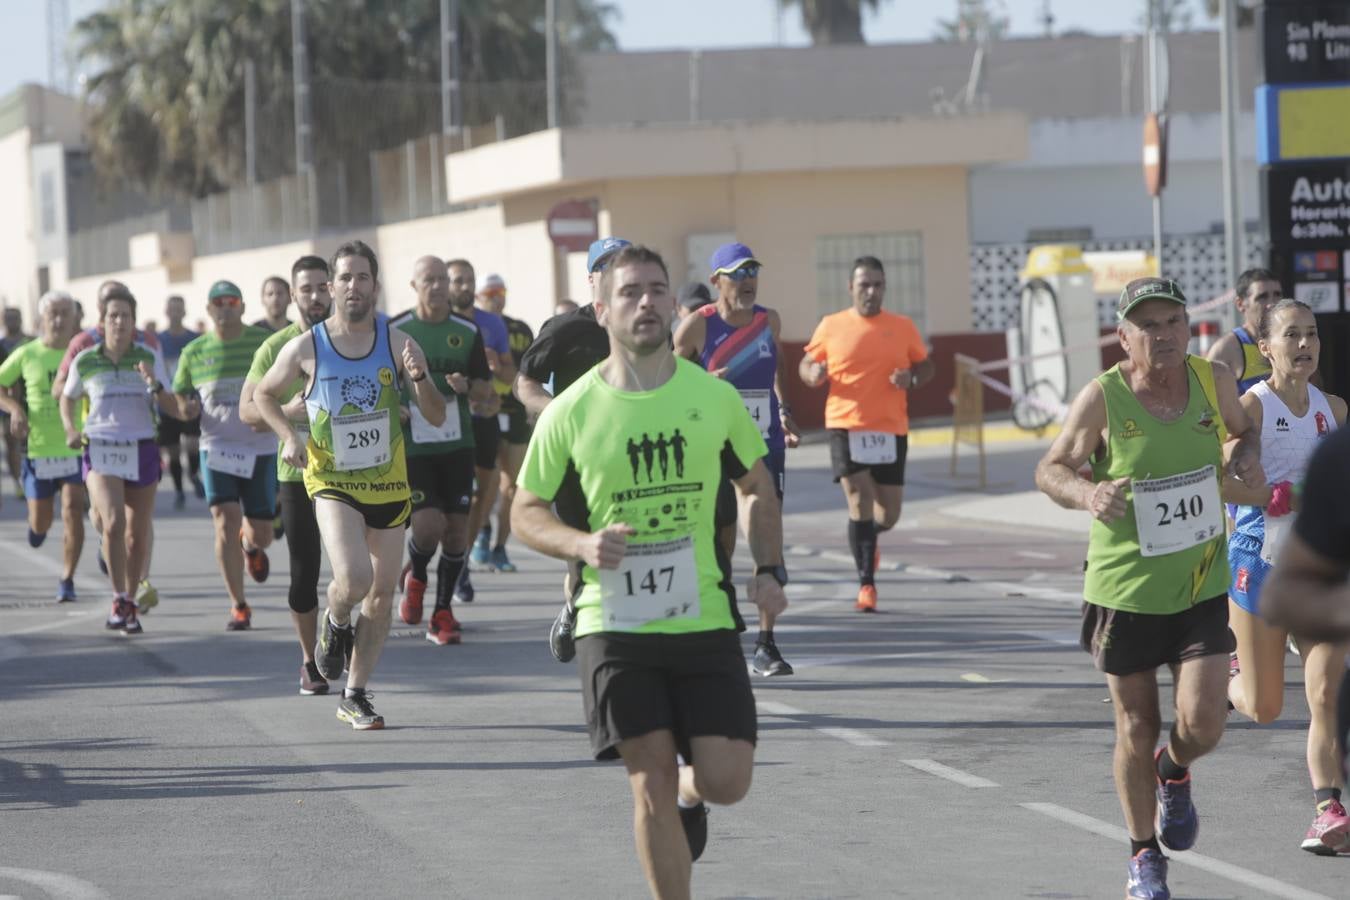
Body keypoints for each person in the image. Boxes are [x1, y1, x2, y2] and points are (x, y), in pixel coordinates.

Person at [511, 244, 788, 896]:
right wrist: (579, 546)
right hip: (614, 621)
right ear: (601, 309)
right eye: (630, 292)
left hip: (703, 614)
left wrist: (769, 566)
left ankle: (697, 791)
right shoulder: (571, 411)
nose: (645, 302)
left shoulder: (712, 397)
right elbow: (526, 510)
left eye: (657, 290)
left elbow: (757, 486)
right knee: (650, 782)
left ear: (674, 304)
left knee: (726, 780)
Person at [1035, 277, 1262, 899]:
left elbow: (1243, 428)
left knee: (1207, 721)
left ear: (1188, 327)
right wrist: (1087, 492)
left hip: (1200, 584)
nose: (1162, 335)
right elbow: (1049, 468)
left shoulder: (1211, 380)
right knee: (1136, 724)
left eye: (1172, 323)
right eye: (1148, 326)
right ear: (1123, 336)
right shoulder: (1103, 398)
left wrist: (1243, 452)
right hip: (1125, 592)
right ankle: (1143, 855)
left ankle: (1175, 769)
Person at [252, 240, 444, 730]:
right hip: (332, 480)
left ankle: (354, 694)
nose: (353, 286)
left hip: (389, 485)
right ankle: (335, 618)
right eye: (345, 278)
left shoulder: (399, 342)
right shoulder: (306, 346)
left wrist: (420, 379)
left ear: (375, 286)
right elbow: (262, 395)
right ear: (331, 287)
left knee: (381, 598)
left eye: (363, 277)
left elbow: (436, 413)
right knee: (355, 579)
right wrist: (288, 435)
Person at [1217, 298, 1350, 853]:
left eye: (1312, 334)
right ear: (1265, 347)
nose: (1305, 345)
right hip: (1259, 561)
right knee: (1267, 705)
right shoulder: (1252, 406)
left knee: (1324, 690)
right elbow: (1222, 481)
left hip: (1317, 569)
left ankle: (1328, 809)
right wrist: (1267, 493)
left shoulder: (1335, 409)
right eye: (1291, 335)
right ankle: (1231, 678)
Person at [674, 242, 800, 676]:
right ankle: (719, 628)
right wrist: (704, 382)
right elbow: (670, 383)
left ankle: (767, 645)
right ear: (716, 282)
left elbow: (778, 369)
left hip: (765, 445)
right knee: (722, 541)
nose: (747, 281)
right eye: (737, 274)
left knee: (769, 544)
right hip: (715, 447)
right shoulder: (695, 327)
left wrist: (783, 411)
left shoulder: (769, 321)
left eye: (752, 272)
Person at [514, 236, 630, 661]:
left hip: (629, 457)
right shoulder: (565, 329)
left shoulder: (646, 327)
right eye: (608, 267)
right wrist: (558, 413)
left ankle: (602, 623)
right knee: (585, 552)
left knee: (624, 550)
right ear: (592, 278)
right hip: (575, 460)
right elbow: (523, 383)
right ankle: (575, 608)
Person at [799, 256, 934, 612]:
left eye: (877, 285)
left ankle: (868, 541)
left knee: (888, 515)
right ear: (851, 287)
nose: (871, 291)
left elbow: (926, 365)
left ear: (884, 287)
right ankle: (866, 586)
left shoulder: (902, 327)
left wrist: (913, 379)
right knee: (857, 498)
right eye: (864, 285)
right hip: (845, 423)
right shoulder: (831, 325)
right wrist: (812, 374)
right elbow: (807, 363)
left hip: (890, 427)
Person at [241, 255, 335, 694]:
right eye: (306, 289)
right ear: (293, 295)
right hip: (297, 474)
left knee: (359, 571)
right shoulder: (276, 345)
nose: (315, 297)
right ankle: (309, 661)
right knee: (305, 571)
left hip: (352, 474)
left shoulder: (354, 338)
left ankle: (338, 631)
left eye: (322, 287)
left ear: (333, 289)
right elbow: (247, 408)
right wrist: (287, 413)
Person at [60, 289, 178, 635]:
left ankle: (132, 595)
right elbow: (67, 399)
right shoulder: (86, 359)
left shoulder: (149, 355)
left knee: (136, 535)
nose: (119, 322)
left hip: (141, 446)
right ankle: (120, 598)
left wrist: (154, 384)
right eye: (113, 315)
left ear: (133, 321)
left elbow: (170, 406)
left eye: (126, 316)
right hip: (100, 446)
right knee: (112, 524)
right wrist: (69, 428)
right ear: (102, 320)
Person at [391, 257, 493, 644]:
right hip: (415, 445)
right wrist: (395, 406)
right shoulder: (397, 330)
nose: (437, 286)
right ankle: (416, 573)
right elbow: (383, 381)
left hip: (457, 443)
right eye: (428, 280)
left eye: (442, 280)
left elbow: (485, 389)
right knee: (428, 526)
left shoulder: (466, 331)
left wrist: (468, 386)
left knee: (456, 534)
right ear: (414, 285)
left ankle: (442, 612)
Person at [169, 280, 277, 631]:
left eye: (231, 301)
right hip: (216, 448)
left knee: (264, 533)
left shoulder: (262, 344)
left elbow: (283, 384)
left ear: (243, 307)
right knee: (224, 520)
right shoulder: (194, 351)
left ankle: (251, 546)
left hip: (259, 448)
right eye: (218, 302)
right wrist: (184, 408)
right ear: (209, 309)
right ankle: (239, 605)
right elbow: (180, 397)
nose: (225, 307)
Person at [0, 291, 86, 600]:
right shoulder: (27, 353)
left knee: (73, 510)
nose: (60, 320)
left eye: (66, 313)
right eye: (53, 314)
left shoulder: (83, 352)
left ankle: (67, 578)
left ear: (75, 317)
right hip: (38, 451)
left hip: (75, 447)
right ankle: (36, 529)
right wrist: (15, 409)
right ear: (41, 319)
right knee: (41, 522)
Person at [453, 265, 512, 598]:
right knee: (448, 505)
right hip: (443, 423)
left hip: (484, 417)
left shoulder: (492, 324)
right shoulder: (436, 325)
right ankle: (426, 562)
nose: (463, 285)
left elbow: (508, 372)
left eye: (468, 280)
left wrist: (496, 366)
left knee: (482, 495)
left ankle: (460, 558)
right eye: (457, 280)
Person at [471, 272, 534, 573]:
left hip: (516, 413)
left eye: (501, 292)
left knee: (513, 488)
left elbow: (528, 371)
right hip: (487, 413)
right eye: (490, 293)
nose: (497, 298)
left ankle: (500, 547)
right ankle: (481, 531)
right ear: (478, 297)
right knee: (489, 482)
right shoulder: (474, 326)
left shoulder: (520, 329)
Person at [156, 295, 203, 508]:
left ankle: (193, 474)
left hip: (189, 399)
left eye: (179, 309)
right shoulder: (158, 340)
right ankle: (178, 491)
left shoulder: (194, 338)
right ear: (166, 311)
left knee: (193, 445)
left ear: (184, 312)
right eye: (171, 309)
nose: (175, 313)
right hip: (167, 403)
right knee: (173, 451)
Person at [1206, 267, 1281, 395]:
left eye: (1277, 295)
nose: (1271, 303)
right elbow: (1208, 406)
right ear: (1240, 304)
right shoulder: (1226, 349)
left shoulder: (1294, 341)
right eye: (1262, 297)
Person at [1, 306, 33, 498]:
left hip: (30, 399)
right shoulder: (0, 344)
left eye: (15, 317)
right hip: (7, 401)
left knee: (28, 442)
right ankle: (17, 481)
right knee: (11, 441)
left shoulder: (31, 341)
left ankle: (32, 476)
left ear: (21, 319)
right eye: (8, 318)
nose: (11, 321)